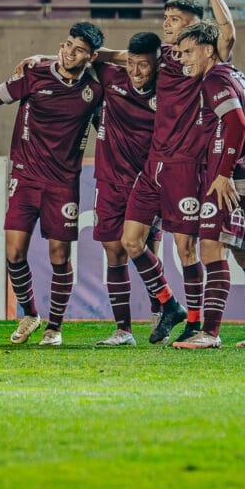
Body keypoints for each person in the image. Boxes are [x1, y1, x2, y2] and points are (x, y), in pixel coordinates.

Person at [0, 23, 106, 347]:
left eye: (79, 50)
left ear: (91, 56)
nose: (70, 53)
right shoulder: (34, 74)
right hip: (26, 177)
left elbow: (105, 131)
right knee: (14, 252)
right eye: (68, 45)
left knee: (59, 255)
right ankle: (30, 313)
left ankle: (54, 327)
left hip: (63, 182)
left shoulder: (94, 91)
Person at [98, 0, 221, 345]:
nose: (167, 23)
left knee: (186, 249)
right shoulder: (164, 56)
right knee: (130, 241)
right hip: (154, 165)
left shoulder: (204, 62)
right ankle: (169, 304)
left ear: (195, 25)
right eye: (165, 17)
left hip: (186, 166)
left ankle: (195, 323)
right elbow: (122, 56)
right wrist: (49, 59)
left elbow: (227, 37)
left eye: (174, 18)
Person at [170, 0, 245, 349]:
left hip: (233, 175)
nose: (182, 59)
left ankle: (209, 333)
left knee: (212, 249)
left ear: (207, 49)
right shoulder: (233, 73)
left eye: (187, 52)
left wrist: (223, 172)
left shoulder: (214, 78)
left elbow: (235, 123)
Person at [91, 32, 164, 346]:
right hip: (109, 180)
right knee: (114, 251)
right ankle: (123, 330)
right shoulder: (112, 77)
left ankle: (161, 312)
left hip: (147, 183)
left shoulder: (168, 90)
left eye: (143, 65)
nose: (135, 71)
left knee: (145, 250)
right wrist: (37, 59)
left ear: (157, 64)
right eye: (131, 63)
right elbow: (85, 56)